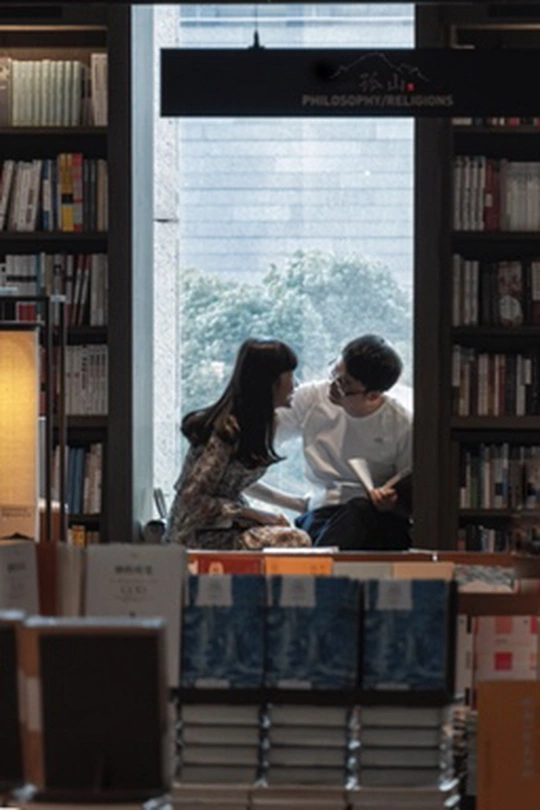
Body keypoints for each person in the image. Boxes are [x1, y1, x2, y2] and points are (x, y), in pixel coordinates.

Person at [266, 334, 413, 550]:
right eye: (334, 372)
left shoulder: (401, 423)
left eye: (344, 384)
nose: (332, 386)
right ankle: (320, 564)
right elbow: (258, 444)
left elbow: (408, 492)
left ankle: (316, 565)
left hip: (376, 517)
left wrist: (390, 502)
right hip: (322, 513)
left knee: (362, 512)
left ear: (373, 395)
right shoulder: (311, 398)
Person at [165, 338, 310, 550]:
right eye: (290, 375)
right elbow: (191, 500)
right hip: (194, 535)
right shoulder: (226, 431)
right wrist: (253, 514)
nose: (295, 384)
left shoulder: (254, 426)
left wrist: (292, 505)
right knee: (296, 540)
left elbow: (233, 482)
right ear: (272, 381)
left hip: (221, 528)